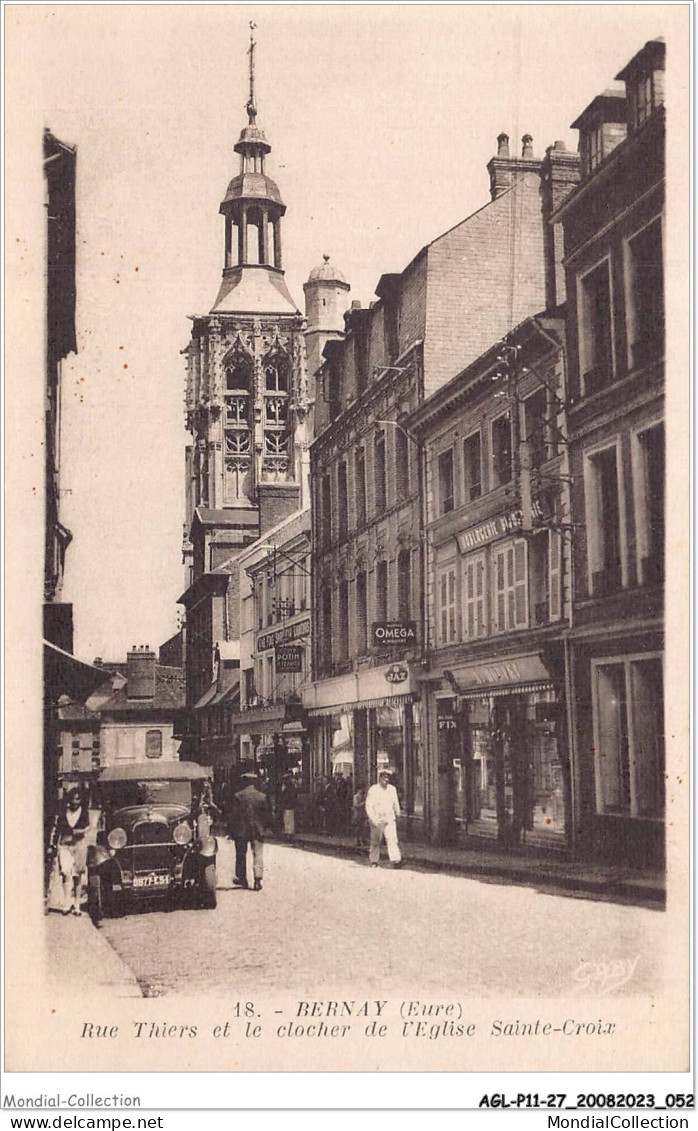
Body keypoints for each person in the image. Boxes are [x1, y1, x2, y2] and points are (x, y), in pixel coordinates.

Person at [48, 788, 91, 914]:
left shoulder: (84, 812)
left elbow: (89, 827)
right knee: (66, 872)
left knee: (77, 875)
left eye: (77, 799)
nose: (74, 802)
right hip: (65, 845)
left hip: (79, 845)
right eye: (73, 798)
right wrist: (52, 845)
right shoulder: (63, 812)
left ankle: (76, 904)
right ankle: (67, 902)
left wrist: (81, 831)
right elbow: (57, 829)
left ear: (81, 800)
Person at [227, 772, 268, 891]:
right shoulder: (262, 796)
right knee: (257, 854)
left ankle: (242, 879)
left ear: (244, 782)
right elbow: (267, 815)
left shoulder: (238, 796)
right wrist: (265, 828)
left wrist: (230, 830)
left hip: (241, 831)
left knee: (241, 855)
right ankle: (257, 880)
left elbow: (233, 815)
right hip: (257, 830)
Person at [365, 768, 402, 868]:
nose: (386, 780)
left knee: (392, 839)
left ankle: (395, 860)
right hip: (377, 819)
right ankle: (374, 861)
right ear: (380, 778)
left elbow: (395, 803)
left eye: (388, 778)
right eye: (384, 777)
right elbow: (369, 806)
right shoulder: (373, 790)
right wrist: (372, 818)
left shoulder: (392, 789)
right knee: (375, 841)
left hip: (389, 818)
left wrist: (398, 814)